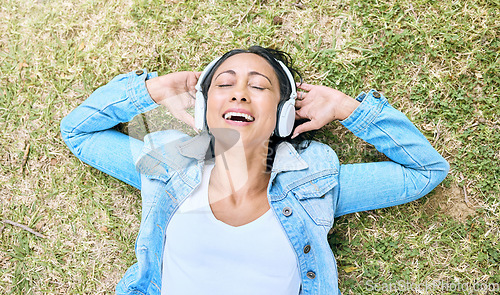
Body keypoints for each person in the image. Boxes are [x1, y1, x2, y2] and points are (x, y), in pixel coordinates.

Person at [60, 46, 449, 295]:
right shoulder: (171, 163)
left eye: (259, 86)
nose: (239, 92)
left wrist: (349, 109)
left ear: (283, 112)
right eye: (224, 84)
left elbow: (425, 171)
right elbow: (79, 132)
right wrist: (153, 89)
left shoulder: (311, 183)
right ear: (202, 109)